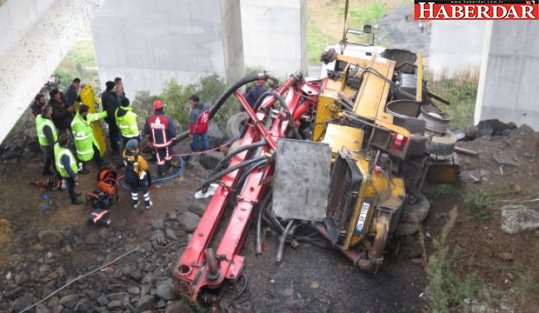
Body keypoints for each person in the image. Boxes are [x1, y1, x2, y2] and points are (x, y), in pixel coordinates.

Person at [71, 104, 108, 173]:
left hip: (90, 141)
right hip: (82, 144)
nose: (88, 113)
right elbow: (79, 134)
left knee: (96, 151)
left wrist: (106, 113)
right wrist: (89, 128)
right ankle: (81, 169)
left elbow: (95, 116)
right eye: (87, 111)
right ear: (83, 112)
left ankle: (100, 164)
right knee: (81, 158)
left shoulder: (86, 116)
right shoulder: (75, 123)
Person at [144, 99, 177, 175]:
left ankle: (161, 171)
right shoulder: (167, 119)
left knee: (159, 157)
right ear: (162, 108)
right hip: (167, 143)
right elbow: (172, 132)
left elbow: (146, 132)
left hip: (156, 144)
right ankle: (168, 169)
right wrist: (174, 141)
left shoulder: (149, 119)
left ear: (154, 108)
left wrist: (150, 141)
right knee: (168, 155)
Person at [123, 139, 152, 209]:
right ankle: (148, 203)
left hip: (130, 176)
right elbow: (145, 167)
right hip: (140, 174)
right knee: (144, 188)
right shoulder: (139, 158)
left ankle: (135, 203)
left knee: (133, 189)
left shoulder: (125, 156)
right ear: (136, 150)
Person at [54, 133, 82, 205]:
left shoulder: (57, 146)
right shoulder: (64, 154)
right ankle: (74, 200)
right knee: (71, 186)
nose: (70, 143)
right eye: (69, 141)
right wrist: (74, 175)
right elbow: (67, 167)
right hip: (68, 174)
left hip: (62, 172)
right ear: (66, 143)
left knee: (71, 185)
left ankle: (73, 193)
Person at [35, 104, 58, 176]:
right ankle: (57, 174)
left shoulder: (38, 117)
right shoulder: (46, 125)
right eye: (51, 110)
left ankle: (45, 171)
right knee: (54, 159)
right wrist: (56, 148)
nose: (52, 111)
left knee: (48, 158)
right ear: (48, 112)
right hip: (47, 145)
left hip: (42, 143)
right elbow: (50, 140)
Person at [102, 81, 121, 155]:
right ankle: (115, 149)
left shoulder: (109, 94)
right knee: (113, 133)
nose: (115, 88)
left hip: (112, 117)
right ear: (111, 88)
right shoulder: (108, 97)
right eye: (114, 87)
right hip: (112, 118)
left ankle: (116, 146)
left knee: (115, 133)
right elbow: (111, 110)